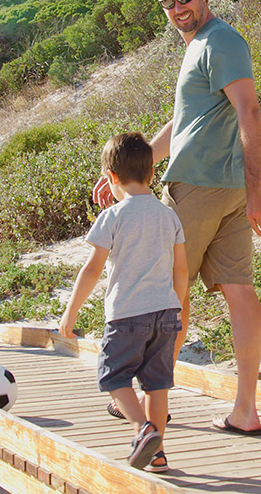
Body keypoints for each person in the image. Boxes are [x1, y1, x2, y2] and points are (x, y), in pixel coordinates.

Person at [93, 0, 261, 436]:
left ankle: (156, 407)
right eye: (168, 3)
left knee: (170, 295)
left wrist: (258, 187)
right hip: (226, 189)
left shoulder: (221, 41)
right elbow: (186, 123)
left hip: (201, 188)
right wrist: (132, 169)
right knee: (237, 292)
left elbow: (250, 111)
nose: (178, 8)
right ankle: (245, 411)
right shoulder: (200, 47)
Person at [61, 132, 188, 472]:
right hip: (166, 313)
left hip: (126, 314)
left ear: (112, 178)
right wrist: (175, 307)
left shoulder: (112, 216)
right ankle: (158, 453)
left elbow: (91, 270)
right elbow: (182, 270)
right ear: (150, 173)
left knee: (114, 376)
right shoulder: (168, 216)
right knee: (157, 385)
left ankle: (141, 428)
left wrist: (70, 315)